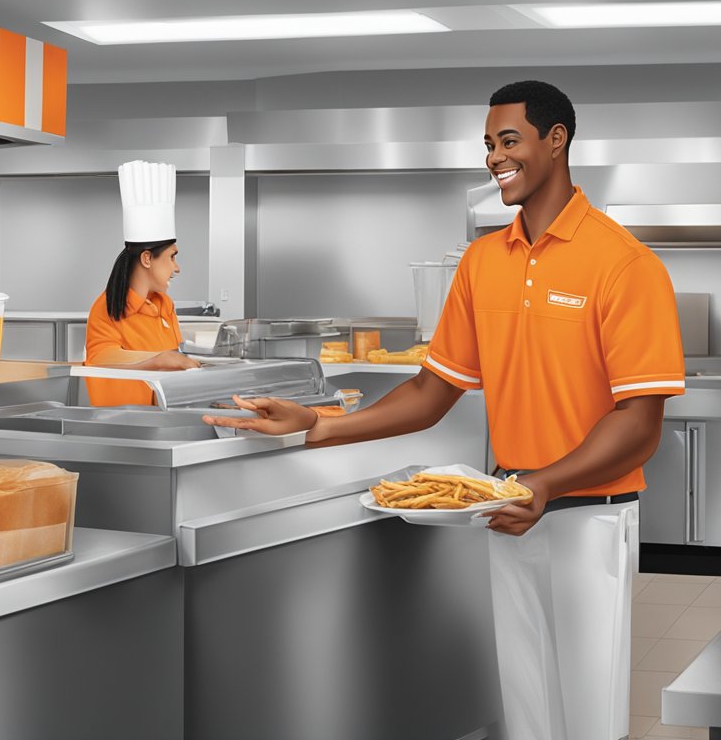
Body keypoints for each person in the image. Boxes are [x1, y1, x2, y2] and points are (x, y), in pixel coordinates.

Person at [204, 81, 685, 740]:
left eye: (508, 140)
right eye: (488, 145)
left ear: (556, 140)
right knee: (526, 718)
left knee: (589, 721)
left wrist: (543, 484)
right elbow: (431, 394)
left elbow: (639, 425)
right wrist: (318, 426)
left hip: (588, 523)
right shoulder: (483, 263)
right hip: (507, 511)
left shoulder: (624, 265)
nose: (494, 157)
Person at [84, 159, 199, 406]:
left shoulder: (165, 306)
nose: (176, 267)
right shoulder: (107, 307)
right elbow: (102, 357)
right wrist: (159, 359)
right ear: (147, 258)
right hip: (124, 423)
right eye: (172, 257)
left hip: (164, 418)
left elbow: (176, 364)